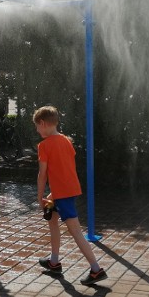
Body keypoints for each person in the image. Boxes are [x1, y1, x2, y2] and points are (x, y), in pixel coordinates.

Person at [32, 105, 107, 285]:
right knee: (52, 219)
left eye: (36, 126)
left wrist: (40, 195)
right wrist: (51, 195)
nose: (36, 130)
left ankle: (96, 270)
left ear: (42, 123)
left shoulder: (44, 145)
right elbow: (63, 169)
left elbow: (42, 174)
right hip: (67, 190)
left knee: (76, 232)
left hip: (63, 194)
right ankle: (54, 261)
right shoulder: (66, 140)